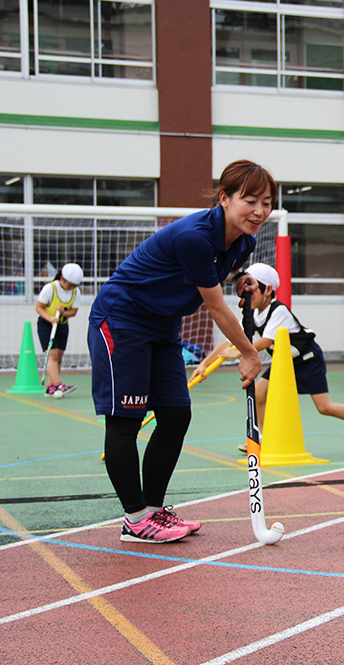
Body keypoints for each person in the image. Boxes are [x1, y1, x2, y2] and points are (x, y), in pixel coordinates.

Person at [88, 159, 272, 544]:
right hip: (122, 320)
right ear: (224, 199)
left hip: (163, 327)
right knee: (124, 419)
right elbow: (216, 306)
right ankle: (135, 519)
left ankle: (153, 511)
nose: (259, 211)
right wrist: (248, 352)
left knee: (174, 415)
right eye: (250, 200)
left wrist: (241, 281)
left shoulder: (244, 242)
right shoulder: (194, 236)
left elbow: (219, 279)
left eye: (267, 202)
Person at [196, 263, 344, 455]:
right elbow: (230, 341)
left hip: (307, 359)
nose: (246, 295)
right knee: (260, 392)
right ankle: (263, 438)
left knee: (324, 407)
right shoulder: (252, 313)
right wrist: (204, 364)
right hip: (283, 363)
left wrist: (240, 352)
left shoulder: (278, 311)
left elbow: (265, 341)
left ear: (268, 290)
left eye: (251, 289)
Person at [35, 262, 83, 396]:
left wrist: (62, 313)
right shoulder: (50, 288)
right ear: (62, 279)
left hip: (62, 325)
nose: (72, 288)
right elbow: (39, 307)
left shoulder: (75, 292)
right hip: (46, 324)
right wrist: (50, 318)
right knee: (53, 354)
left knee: (59, 357)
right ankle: (58, 384)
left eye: (75, 286)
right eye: (70, 285)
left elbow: (73, 312)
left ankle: (51, 387)